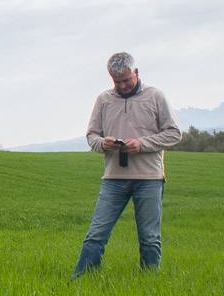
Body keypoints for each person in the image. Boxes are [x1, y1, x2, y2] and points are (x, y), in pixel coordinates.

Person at [72, 52, 182, 278]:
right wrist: (104, 143)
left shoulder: (156, 96)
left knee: (150, 237)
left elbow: (174, 134)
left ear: (137, 73)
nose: (122, 85)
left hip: (149, 178)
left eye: (126, 80)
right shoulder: (104, 100)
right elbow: (91, 136)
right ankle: (80, 281)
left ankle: (149, 283)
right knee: (96, 234)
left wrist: (141, 144)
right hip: (113, 178)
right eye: (116, 81)